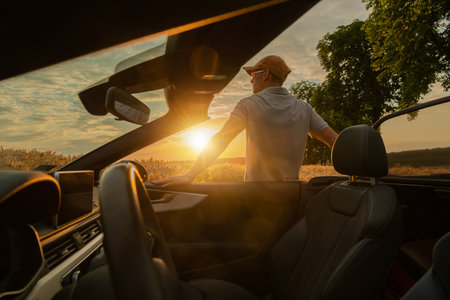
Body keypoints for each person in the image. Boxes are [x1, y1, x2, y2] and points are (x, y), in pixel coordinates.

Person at [152, 55, 337, 187]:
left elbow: (221, 139)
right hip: (292, 199)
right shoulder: (304, 108)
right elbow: (334, 141)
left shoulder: (248, 105)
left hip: (257, 198)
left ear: (265, 74)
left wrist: (189, 175)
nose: (251, 81)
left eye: (253, 74)